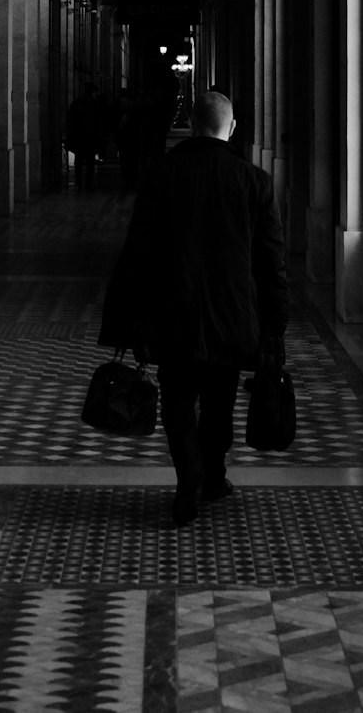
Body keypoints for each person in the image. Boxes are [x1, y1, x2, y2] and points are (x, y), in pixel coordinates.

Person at [99, 89, 288, 526]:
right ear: (232, 127)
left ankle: (189, 478)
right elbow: (271, 263)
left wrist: (126, 317)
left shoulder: (161, 175)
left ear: (194, 125)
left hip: (172, 311)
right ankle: (214, 475)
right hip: (233, 314)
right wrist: (275, 325)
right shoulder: (254, 182)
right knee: (220, 400)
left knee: (178, 401)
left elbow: (138, 252)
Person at [65, 83, 105, 188]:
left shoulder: (77, 104)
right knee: (87, 162)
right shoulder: (94, 106)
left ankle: (81, 182)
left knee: (81, 161)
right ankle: (86, 183)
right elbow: (98, 123)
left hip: (82, 138)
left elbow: (70, 121)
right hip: (86, 138)